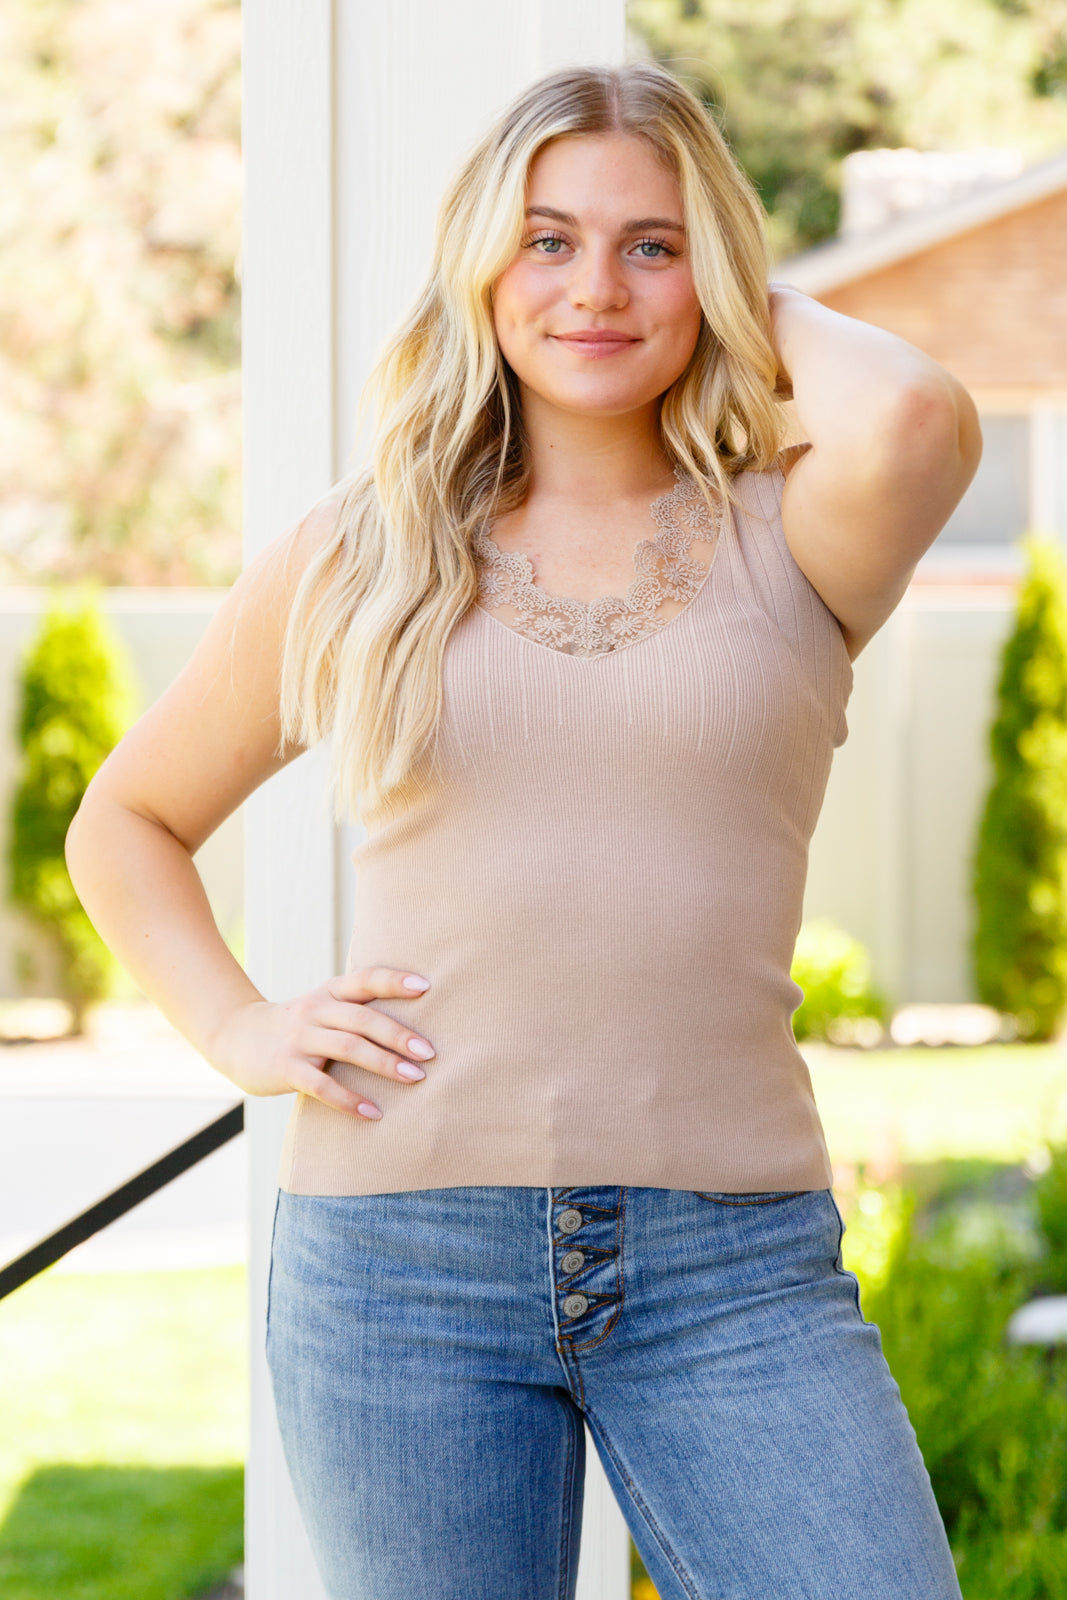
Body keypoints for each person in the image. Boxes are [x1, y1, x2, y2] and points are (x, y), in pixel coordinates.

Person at [66, 63, 980, 1600]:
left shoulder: (799, 530)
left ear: (721, 275)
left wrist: (738, 277)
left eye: (653, 243)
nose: (596, 289)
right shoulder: (363, 555)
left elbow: (913, 406)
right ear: (481, 265)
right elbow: (129, 820)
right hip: (397, 1267)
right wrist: (239, 1024)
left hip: (734, 1270)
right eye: (546, 240)